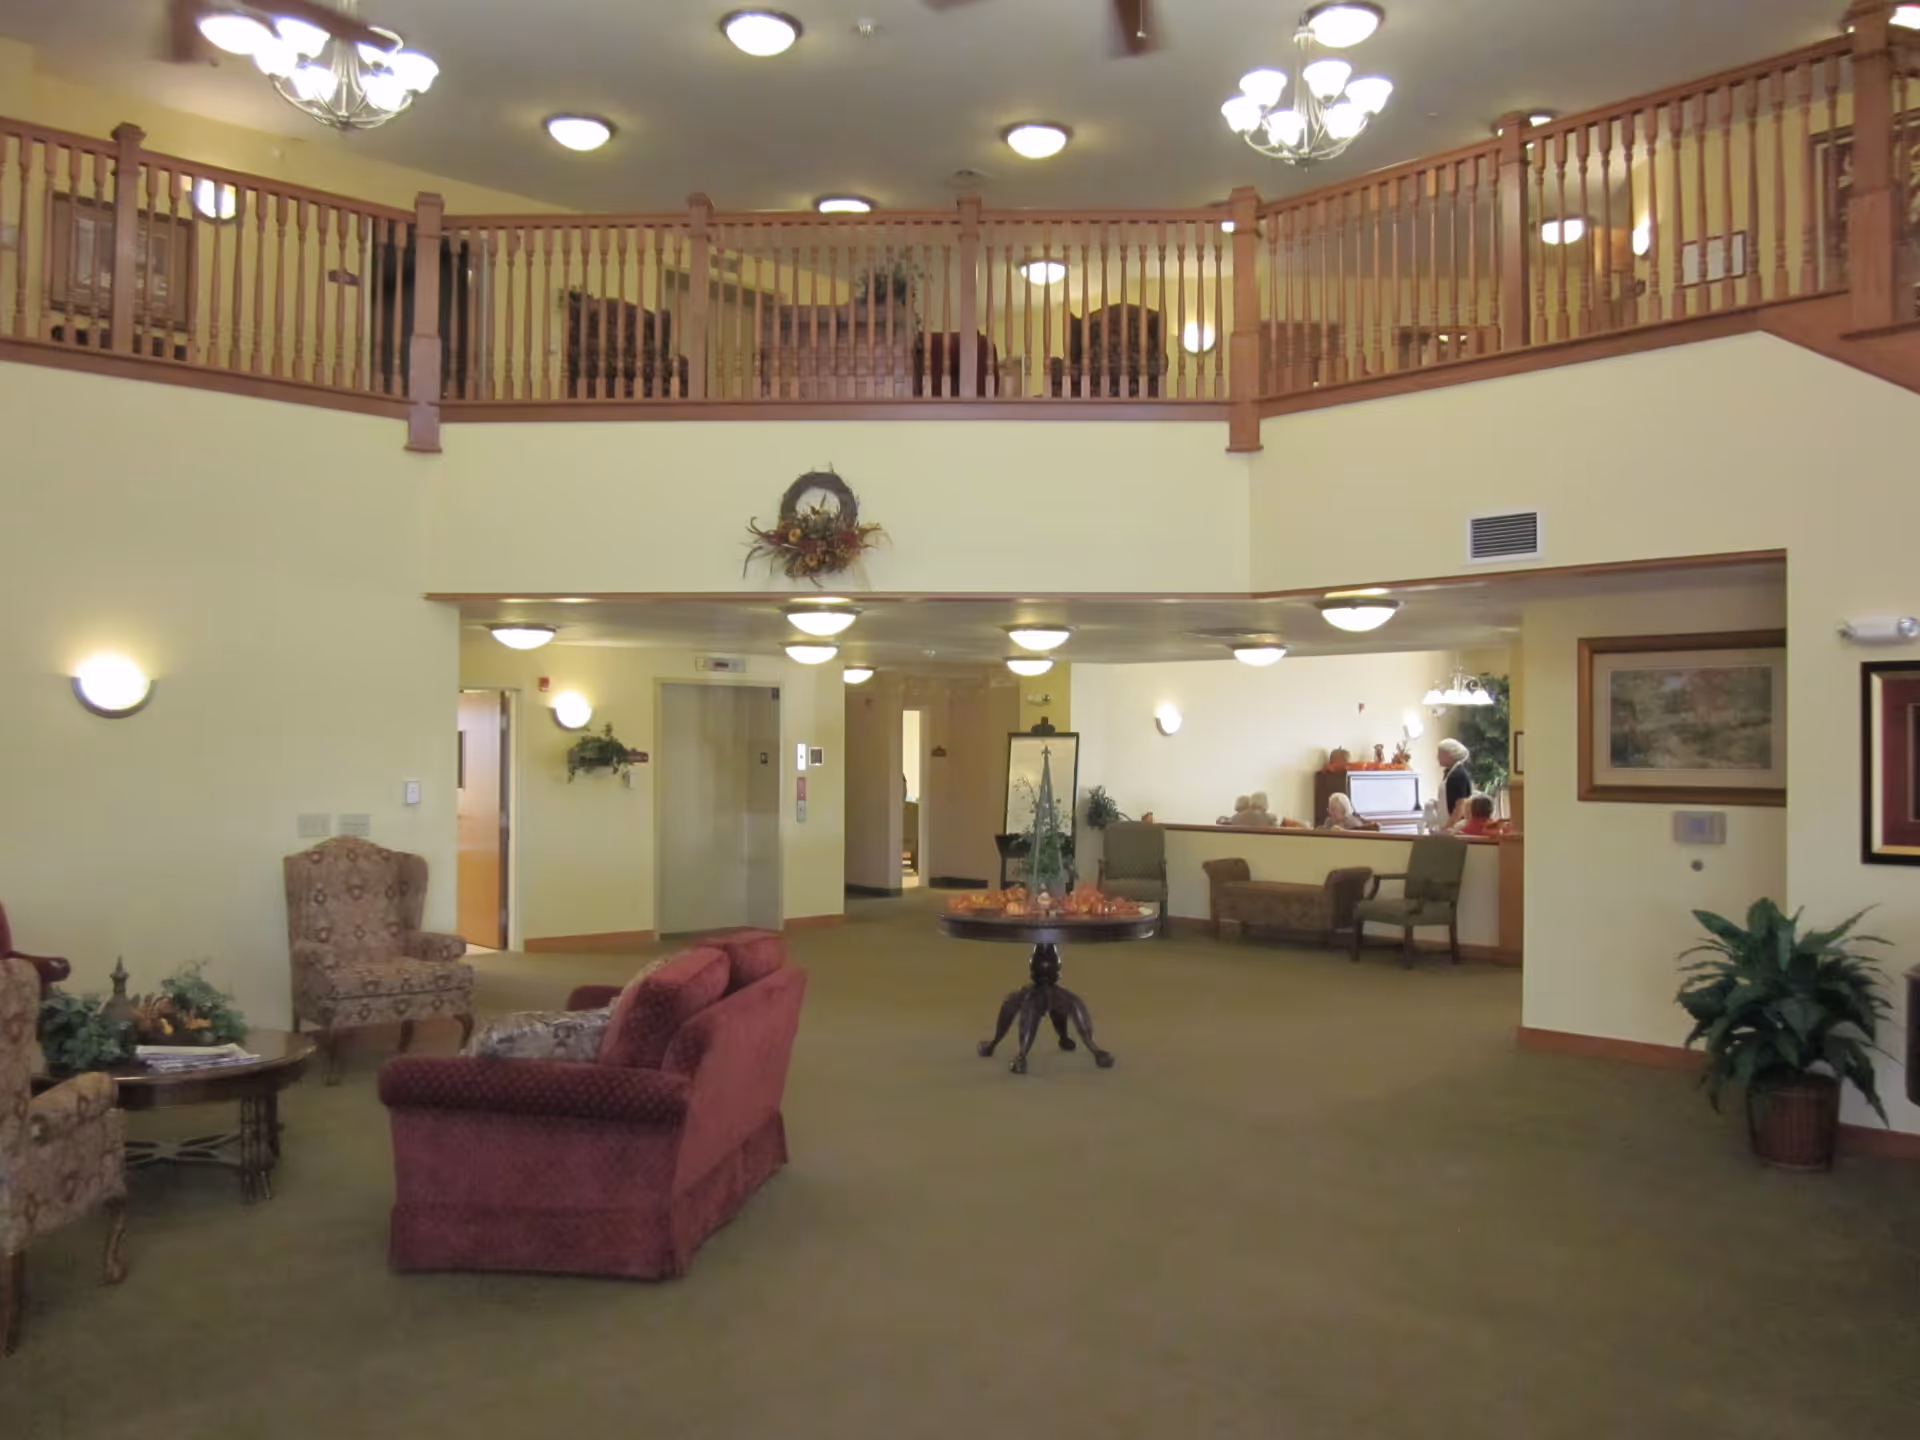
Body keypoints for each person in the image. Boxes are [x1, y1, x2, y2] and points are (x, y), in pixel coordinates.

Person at [1437, 738, 1473, 820]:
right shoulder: (1449, 773)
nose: (1437, 757)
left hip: (1455, 827)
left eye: (1440, 754)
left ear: (1449, 754)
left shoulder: (1458, 775)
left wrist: (1448, 827)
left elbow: (1461, 806)